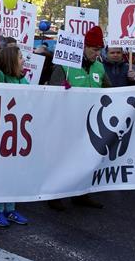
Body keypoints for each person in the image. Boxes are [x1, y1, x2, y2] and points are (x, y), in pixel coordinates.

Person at [47, 26, 110, 210]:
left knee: (86, 159)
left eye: (99, 50)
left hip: (90, 123)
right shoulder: (65, 65)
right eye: (94, 49)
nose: (97, 53)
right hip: (67, 122)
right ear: (84, 46)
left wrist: (133, 92)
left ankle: (81, 193)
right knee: (63, 159)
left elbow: (111, 91)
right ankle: (55, 195)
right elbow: (51, 91)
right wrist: (61, 88)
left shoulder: (99, 66)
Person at [0, 42, 30, 227]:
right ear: (12, 60)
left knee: (13, 172)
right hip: (0, 133)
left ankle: (10, 209)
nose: (24, 59)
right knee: (0, 172)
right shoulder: (1, 77)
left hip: (18, 132)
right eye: (20, 57)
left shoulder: (23, 79)